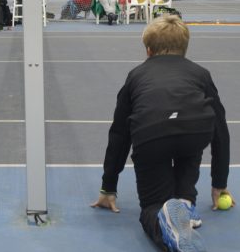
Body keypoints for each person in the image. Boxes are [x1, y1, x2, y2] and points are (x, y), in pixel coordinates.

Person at [91, 15, 234, 252]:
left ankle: (164, 220)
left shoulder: (136, 75)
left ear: (148, 50)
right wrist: (219, 183)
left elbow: (119, 135)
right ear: (185, 49)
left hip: (152, 133)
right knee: (190, 135)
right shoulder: (201, 73)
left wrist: (109, 186)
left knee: (153, 205)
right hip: (196, 131)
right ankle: (185, 202)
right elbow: (220, 130)